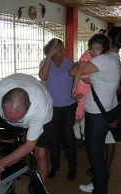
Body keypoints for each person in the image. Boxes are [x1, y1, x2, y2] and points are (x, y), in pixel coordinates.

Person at [70, 26, 121, 194]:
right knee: (96, 155)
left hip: (97, 116)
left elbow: (74, 71)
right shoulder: (113, 59)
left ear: (109, 40)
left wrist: (87, 54)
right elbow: (91, 78)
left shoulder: (104, 59)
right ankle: (96, 185)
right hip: (100, 114)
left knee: (95, 156)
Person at [0, 73, 53, 186]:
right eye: (9, 117)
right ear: (2, 103)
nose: (12, 122)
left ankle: (41, 188)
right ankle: (6, 179)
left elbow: (29, 144)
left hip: (44, 117)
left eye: (16, 119)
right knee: (6, 147)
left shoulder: (39, 106)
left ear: (28, 108)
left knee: (40, 154)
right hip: (12, 112)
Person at [38, 38, 77, 180]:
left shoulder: (70, 64)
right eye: (59, 50)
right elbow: (43, 76)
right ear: (52, 51)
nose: (63, 52)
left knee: (68, 138)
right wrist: (49, 56)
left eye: (63, 49)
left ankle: (72, 167)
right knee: (53, 139)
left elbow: (78, 81)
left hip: (69, 107)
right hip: (52, 108)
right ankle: (55, 166)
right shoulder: (45, 63)